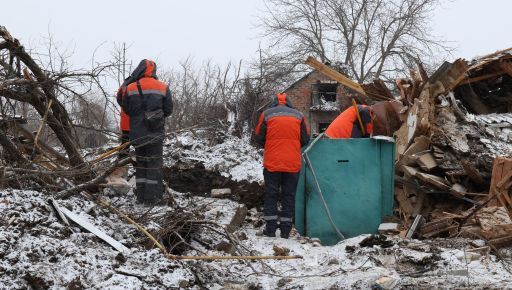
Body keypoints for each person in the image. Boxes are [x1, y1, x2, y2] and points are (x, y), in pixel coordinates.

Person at [255, 92, 310, 238]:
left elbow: (259, 138)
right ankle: (286, 231)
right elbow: (306, 139)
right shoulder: (299, 115)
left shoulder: (266, 114)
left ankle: (271, 229)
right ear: (289, 103)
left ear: (274, 102)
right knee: (289, 196)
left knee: (271, 195)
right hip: (292, 163)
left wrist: (271, 145)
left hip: (272, 163)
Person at [118, 59, 173, 205]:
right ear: (154, 71)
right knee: (154, 165)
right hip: (155, 133)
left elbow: (126, 108)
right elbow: (169, 110)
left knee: (141, 165)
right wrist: (155, 116)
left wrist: (138, 117)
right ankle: (152, 199)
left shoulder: (130, 88)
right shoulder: (162, 87)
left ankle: (141, 197)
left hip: (137, 134)